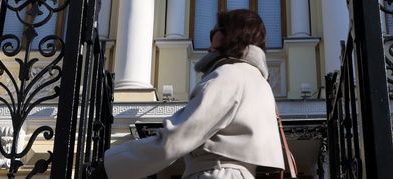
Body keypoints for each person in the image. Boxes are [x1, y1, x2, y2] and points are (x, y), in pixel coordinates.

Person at [91, 9, 293, 179]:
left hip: (216, 173)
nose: (209, 44)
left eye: (214, 32)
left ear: (232, 34)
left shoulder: (229, 75)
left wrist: (109, 166)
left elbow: (175, 138)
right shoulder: (260, 84)